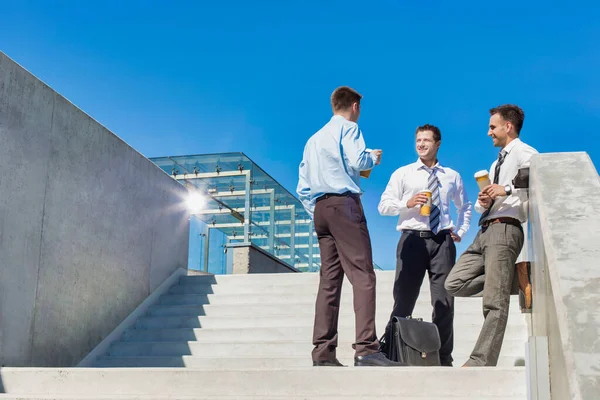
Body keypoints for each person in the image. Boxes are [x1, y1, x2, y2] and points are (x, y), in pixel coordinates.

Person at [297, 86, 401, 367]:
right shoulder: (350, 129)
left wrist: (320, 210)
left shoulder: (313, 140)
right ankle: (367, 349)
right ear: (355, 106)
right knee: (363, 275)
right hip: (345, 205)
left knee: (329, 282)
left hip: (321, 209)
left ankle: (323, 352)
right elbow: (358, 160)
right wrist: (372, 157)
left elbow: (302, 187)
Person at [444, 104, 538, 366]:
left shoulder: (523, 151)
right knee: (454, 283)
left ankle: (480, 361)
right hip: (485, 230)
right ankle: (517, 279)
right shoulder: (495, 162)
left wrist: (505, 189)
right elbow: (489, 197)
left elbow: (535, 175)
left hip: (506, 229)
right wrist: (483, 201)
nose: (489, 133)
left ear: (508, 126)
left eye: (492, 127)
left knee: (493, 302)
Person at [378, 124, 472, 367]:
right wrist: (407, 202)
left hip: (442, 242)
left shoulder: (452, 176)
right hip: (411, 240)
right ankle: (391, 352)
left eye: (426, 140)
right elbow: (384, 206)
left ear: (437, 144)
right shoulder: (404, 173)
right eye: (418, 140)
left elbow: (466, 207)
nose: (421, 144)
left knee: (444, 302)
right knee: (403, 300)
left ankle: (442, 357)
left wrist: (459, 231)